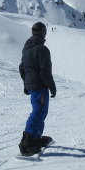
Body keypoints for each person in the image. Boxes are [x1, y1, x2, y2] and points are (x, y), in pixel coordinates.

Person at [18, 22, 57, 156]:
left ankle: (35, 138)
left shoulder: (27, 49)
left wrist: (26, 84)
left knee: (40, 112)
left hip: (33, 85)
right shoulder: (41, 49)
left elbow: (22, 68)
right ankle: (27, 144)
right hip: (40, 86)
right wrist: (52, 86)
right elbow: (45, 71)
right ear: (43, 33)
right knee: (38, 112)